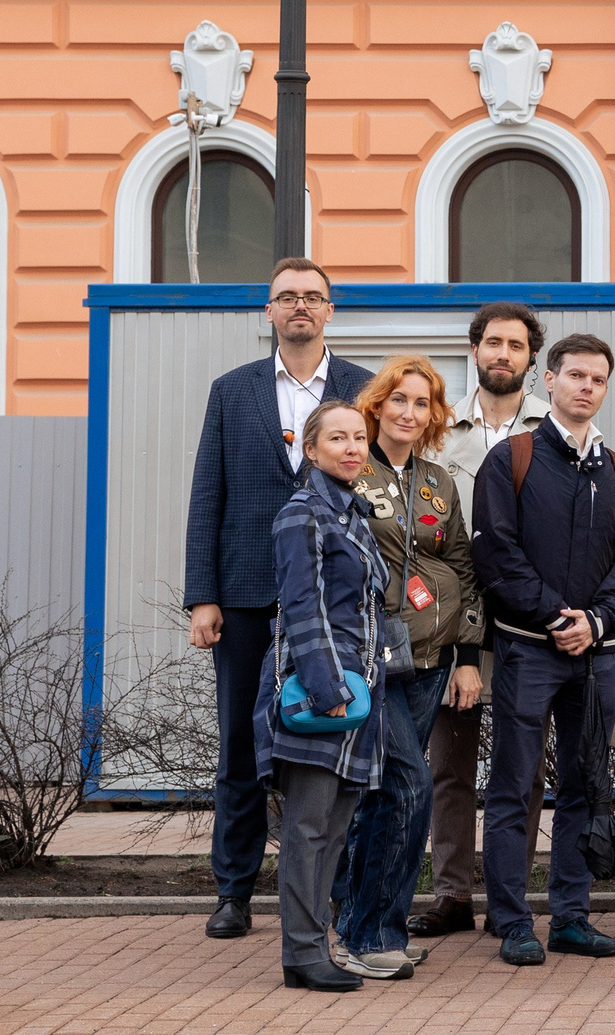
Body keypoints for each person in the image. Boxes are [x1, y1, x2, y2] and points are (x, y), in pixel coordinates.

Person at [184, 257, 374, 941]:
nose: (300, 306)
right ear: (268, 311)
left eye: (313, 296)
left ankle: (332, 891)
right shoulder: (232, 390)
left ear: (330, 309)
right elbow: (208, 493)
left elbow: (376, 485)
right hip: (244, 594)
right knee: (240, 743)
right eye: (287, 296)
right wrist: (201, 596)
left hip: (330, 601)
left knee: (335, 744)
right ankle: (234, 890)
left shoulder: (362, 387)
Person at [468, 333, 615, 968]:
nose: (586, 388)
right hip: (527, 651)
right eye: (575, 376)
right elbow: (494, 552)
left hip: (595, 655)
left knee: (585, 785)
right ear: (549, 381)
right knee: (515, 786)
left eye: (597, 379)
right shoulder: (510, 459)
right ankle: (512, 920)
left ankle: (572, 917)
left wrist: (594, 621)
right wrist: (553, 616)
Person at [331, 357, 483, 980]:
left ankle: (368, 928)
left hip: (428, 659)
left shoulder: (438, 482)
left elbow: (465, 570)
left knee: (386, 798)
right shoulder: (348, 469)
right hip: (371, 662)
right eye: (400, 400)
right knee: (409, 785)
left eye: (422, 404)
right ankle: (366, 933)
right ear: (377, 404)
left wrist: (467, 658)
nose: (409, 413)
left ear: (434, 416)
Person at [412, 302, 549, 938]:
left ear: (531, 358)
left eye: (515, 345)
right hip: (450, 625)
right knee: (450, 767)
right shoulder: (438, 433)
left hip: (527, 624)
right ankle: (451, 895)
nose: (503, 354)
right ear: (475, 351)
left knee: (520, 772)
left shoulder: (553, 431)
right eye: (492, 343)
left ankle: (509, 898)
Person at [255, 399, 390, 993]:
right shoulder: (302, 513)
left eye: (360, 438)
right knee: (308, 829)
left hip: (357, 695)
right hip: (323, 694)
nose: (353, 448)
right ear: (310, 450)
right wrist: (327, 688)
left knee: (334, 829)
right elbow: (301, 608)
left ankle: (317, 947)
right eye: (338, 438)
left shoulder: (351, 512)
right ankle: (302, 954)